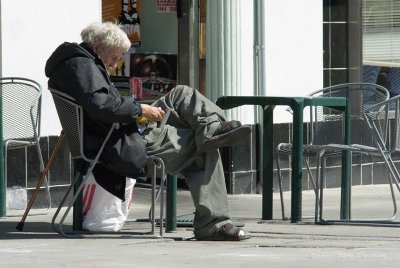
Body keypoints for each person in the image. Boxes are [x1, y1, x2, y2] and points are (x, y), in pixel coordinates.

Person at [45, 21, 251, 241]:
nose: (115, 65)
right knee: (202, 149)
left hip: (125, 131)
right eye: (114, 57)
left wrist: (139, 110)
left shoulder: (78, 62)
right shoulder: (81, 66)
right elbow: (100, 106)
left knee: (181, 93)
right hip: (120, 141)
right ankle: (212, 224)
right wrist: (138, 108)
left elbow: (101, 104)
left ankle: (211, 128)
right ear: (97, 47)